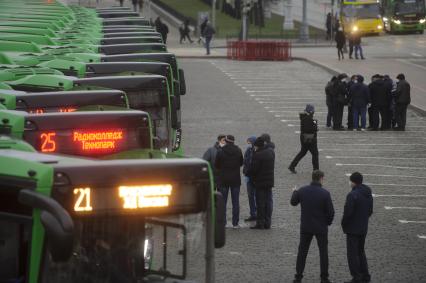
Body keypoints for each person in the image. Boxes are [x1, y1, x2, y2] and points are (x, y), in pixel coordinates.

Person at [291, 170, 334, 283]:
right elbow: (330, 212)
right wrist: (327, 223)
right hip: (321, 227)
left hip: (306, 226)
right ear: (321, 178)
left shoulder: (303, 190)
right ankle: (324, 277)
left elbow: (293, 202)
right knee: (323, 252)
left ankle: (298, 276)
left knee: (302, 251)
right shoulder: (325, 193)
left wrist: (295, 192)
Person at [342, 172, 373, 283]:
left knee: (352, 254)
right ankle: (365, 275)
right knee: (361, 252)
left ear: (353, 182)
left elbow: (348, 213)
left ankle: (356, 277)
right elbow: (370, 211)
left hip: (352, 229)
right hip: (363, 227)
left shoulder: (352, 195)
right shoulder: (368, 192)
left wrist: (344, 224)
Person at [215, 135, 243, 228]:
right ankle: (235, 223)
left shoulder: (220, 151)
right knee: (235, 202)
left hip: (223, 179)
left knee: (223, 202)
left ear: (226, 141)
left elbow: (217, 165)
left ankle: (223, 222)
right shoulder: (238, 150)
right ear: (233, 141)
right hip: (235, 179)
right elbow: (241, 163)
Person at [248, 136, 275, 229]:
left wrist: (248, 173)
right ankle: (268, 223)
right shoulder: (271, 152)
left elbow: (253, 169)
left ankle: (260, 223)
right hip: (269, 181)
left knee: (260, 203)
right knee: (268, 202)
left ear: (257, 146)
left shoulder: (257, 155)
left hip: (260, 182)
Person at [289, 104, 319, 173]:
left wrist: (315, 123)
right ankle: (316, 169)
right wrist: (315, 126)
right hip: (310, 139)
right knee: (315, 154)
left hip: (304, 138)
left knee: (303, 152)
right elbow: (311, 128)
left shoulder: (304, 118)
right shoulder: (308, 119)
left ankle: (292, 166)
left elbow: (313, 124)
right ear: (311, 111)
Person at [243, 136, 257, 222]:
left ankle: (258, 213)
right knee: (250, 196)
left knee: (257, 196)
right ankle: (253, 213)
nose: (249, 144)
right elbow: (245, 160)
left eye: (250, 142)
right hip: (248, 176)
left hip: (255, 177)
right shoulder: (249, 150)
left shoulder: (257, 151)